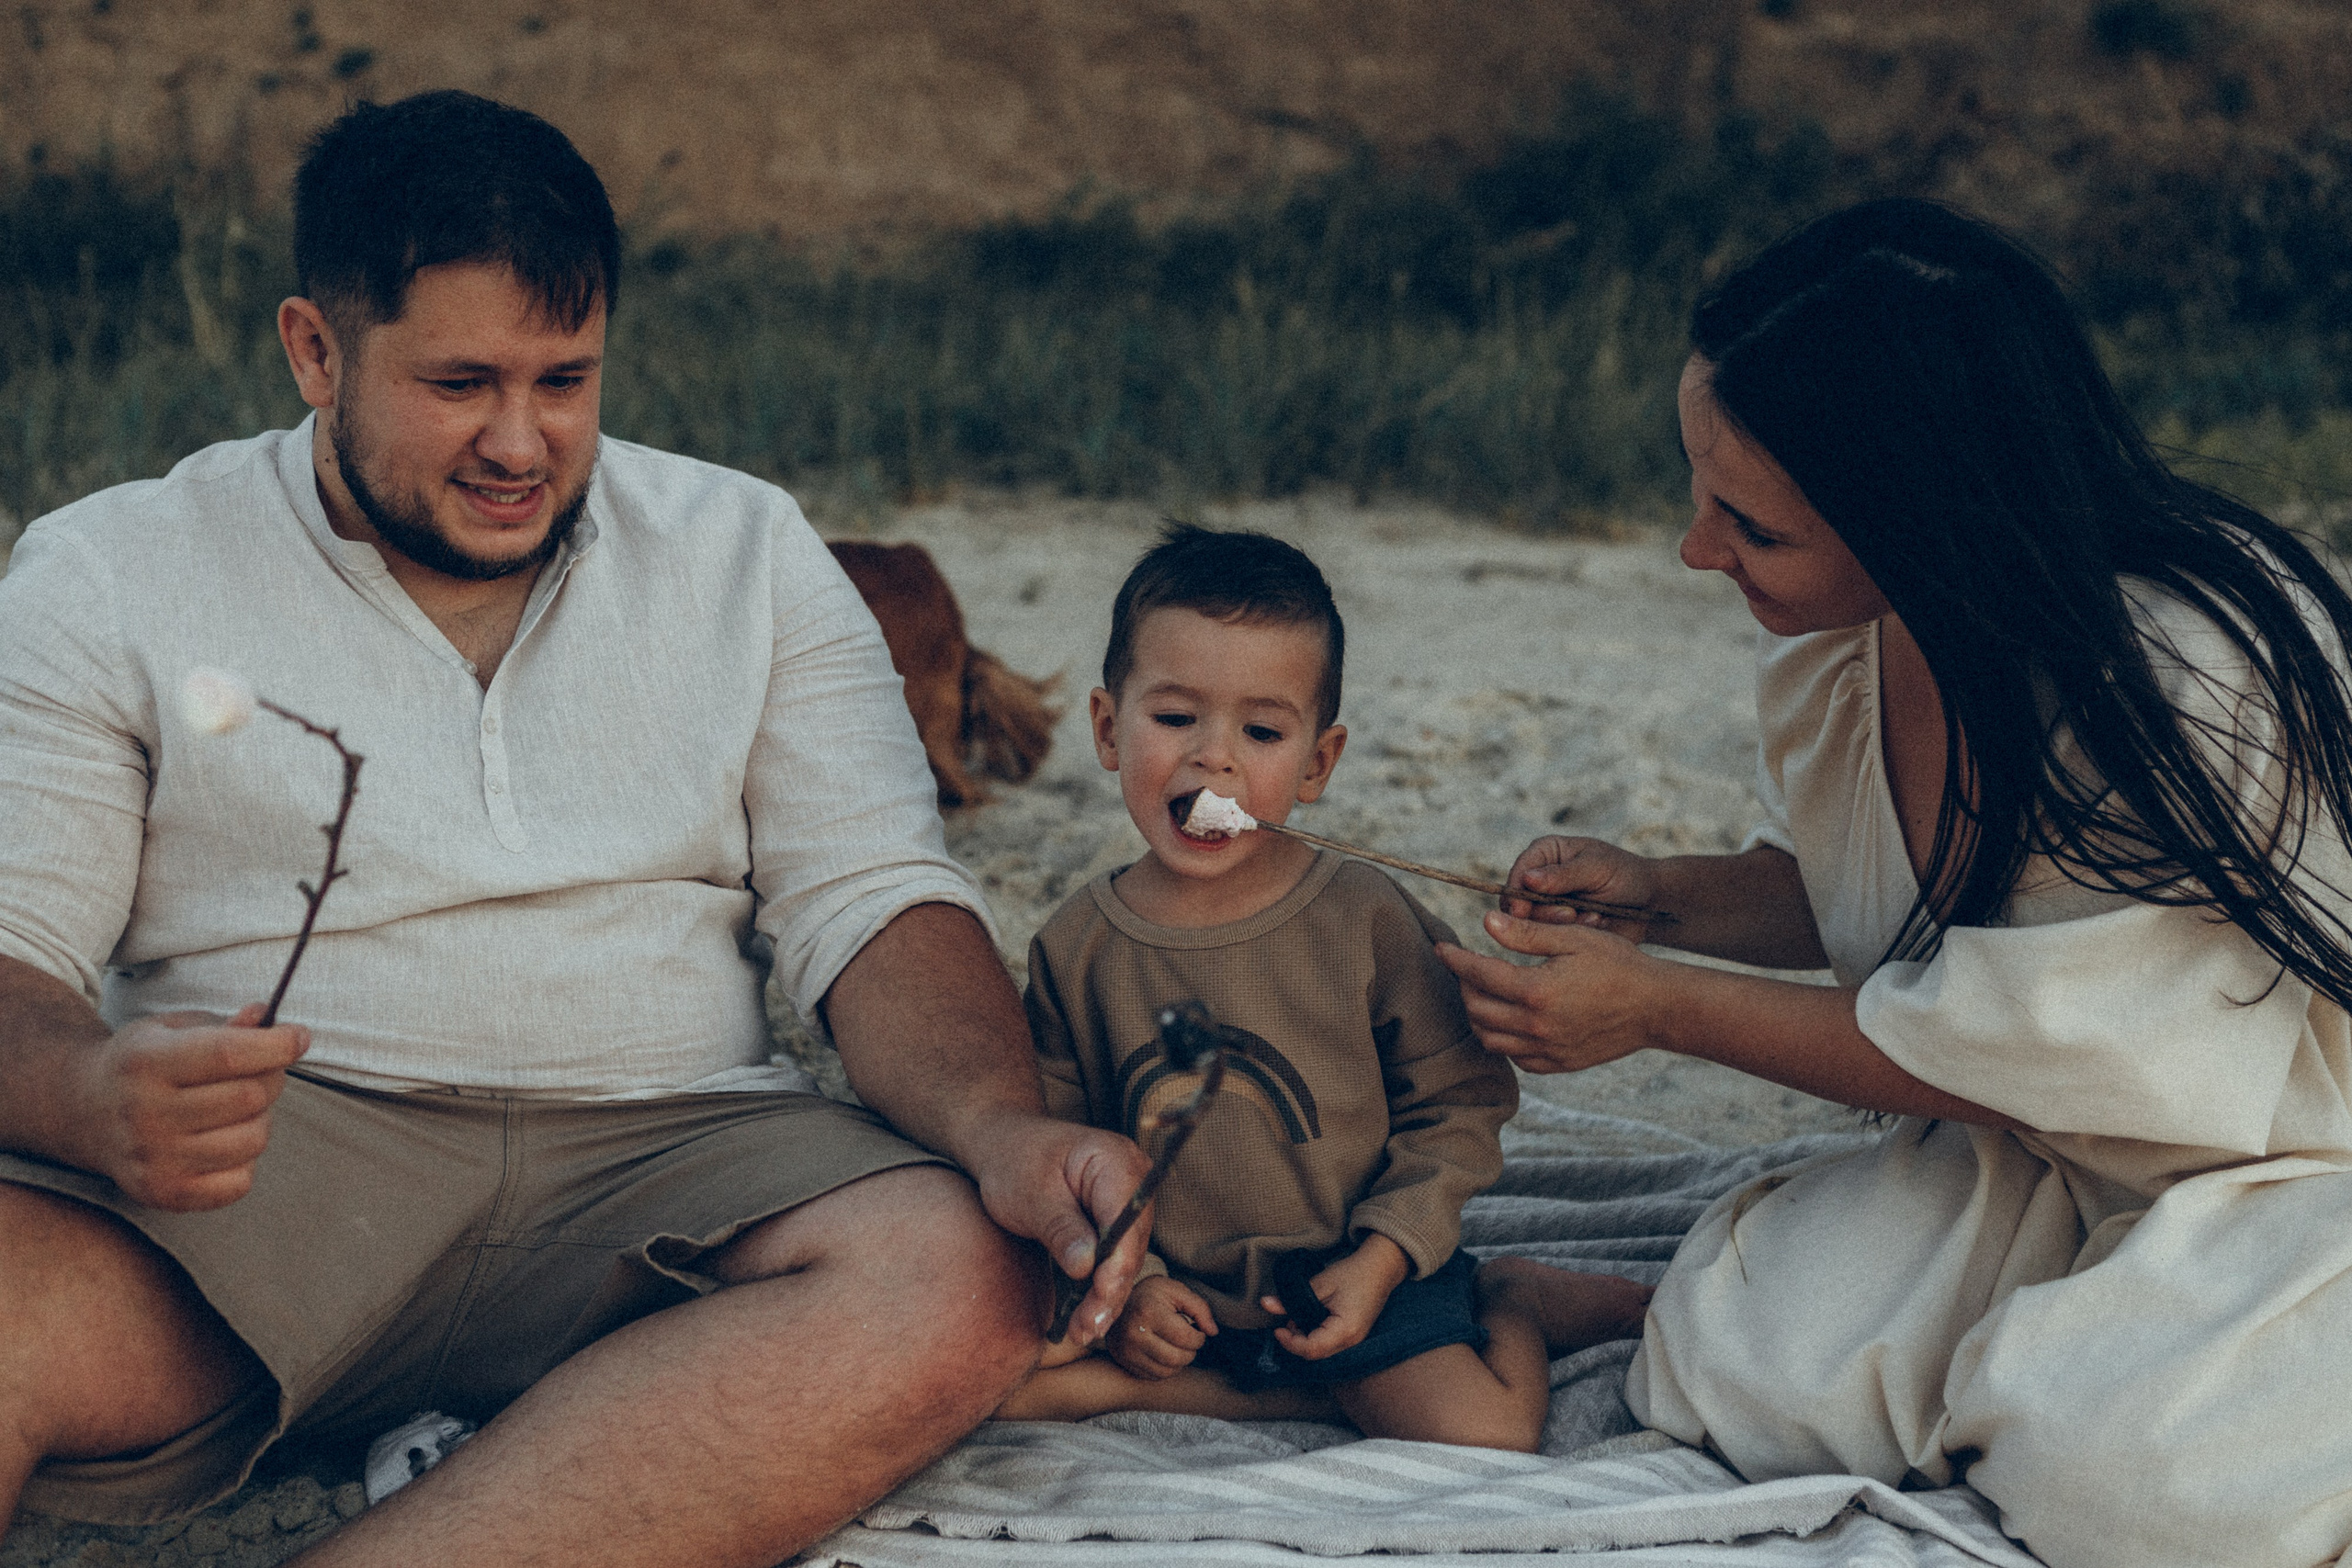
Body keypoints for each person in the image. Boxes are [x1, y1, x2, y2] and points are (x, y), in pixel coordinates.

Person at [0, 91, 1152, 1567]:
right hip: (270, 1188)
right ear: (313, 348)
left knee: (967, 1268)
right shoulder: (107, 570)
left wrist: (1001, 1122)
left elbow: (876, 899)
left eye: (567, 378)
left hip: (667, 1172)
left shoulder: (746, 550)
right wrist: (92, 1090)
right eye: (461, 381)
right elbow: (17, 960)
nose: (521, 441)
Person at [1438, 197, 2352, 1568]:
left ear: (1921, 514)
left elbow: (2010, 1048)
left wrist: (1659, 1005)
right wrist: (1664, 898)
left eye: (1747, 522)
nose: (1698, 549)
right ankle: (2047, 1343)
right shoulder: (1854, 643)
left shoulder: (2181, 687)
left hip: (2283, 1170)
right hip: (2057, 1151)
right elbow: (1899, 895)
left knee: (2141, 1486)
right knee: (1747, 1366)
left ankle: (2091, 1362)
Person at [996, 525, 1651, 1449]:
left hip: (1359, 1277)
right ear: (1109, 730)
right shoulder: (1075, 946)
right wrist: (1133, 1283)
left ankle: (1510, 1299)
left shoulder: (1364, 914)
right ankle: (1303, 1401)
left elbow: (1457, 1105)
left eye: (1261, 731)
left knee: (1483, 1433)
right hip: (1184, 1298)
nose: (1214, 758)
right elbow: (1064, 1142)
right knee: (999, 1385)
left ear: (1316, 764)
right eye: (1174, 718)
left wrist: (1385, 1256)